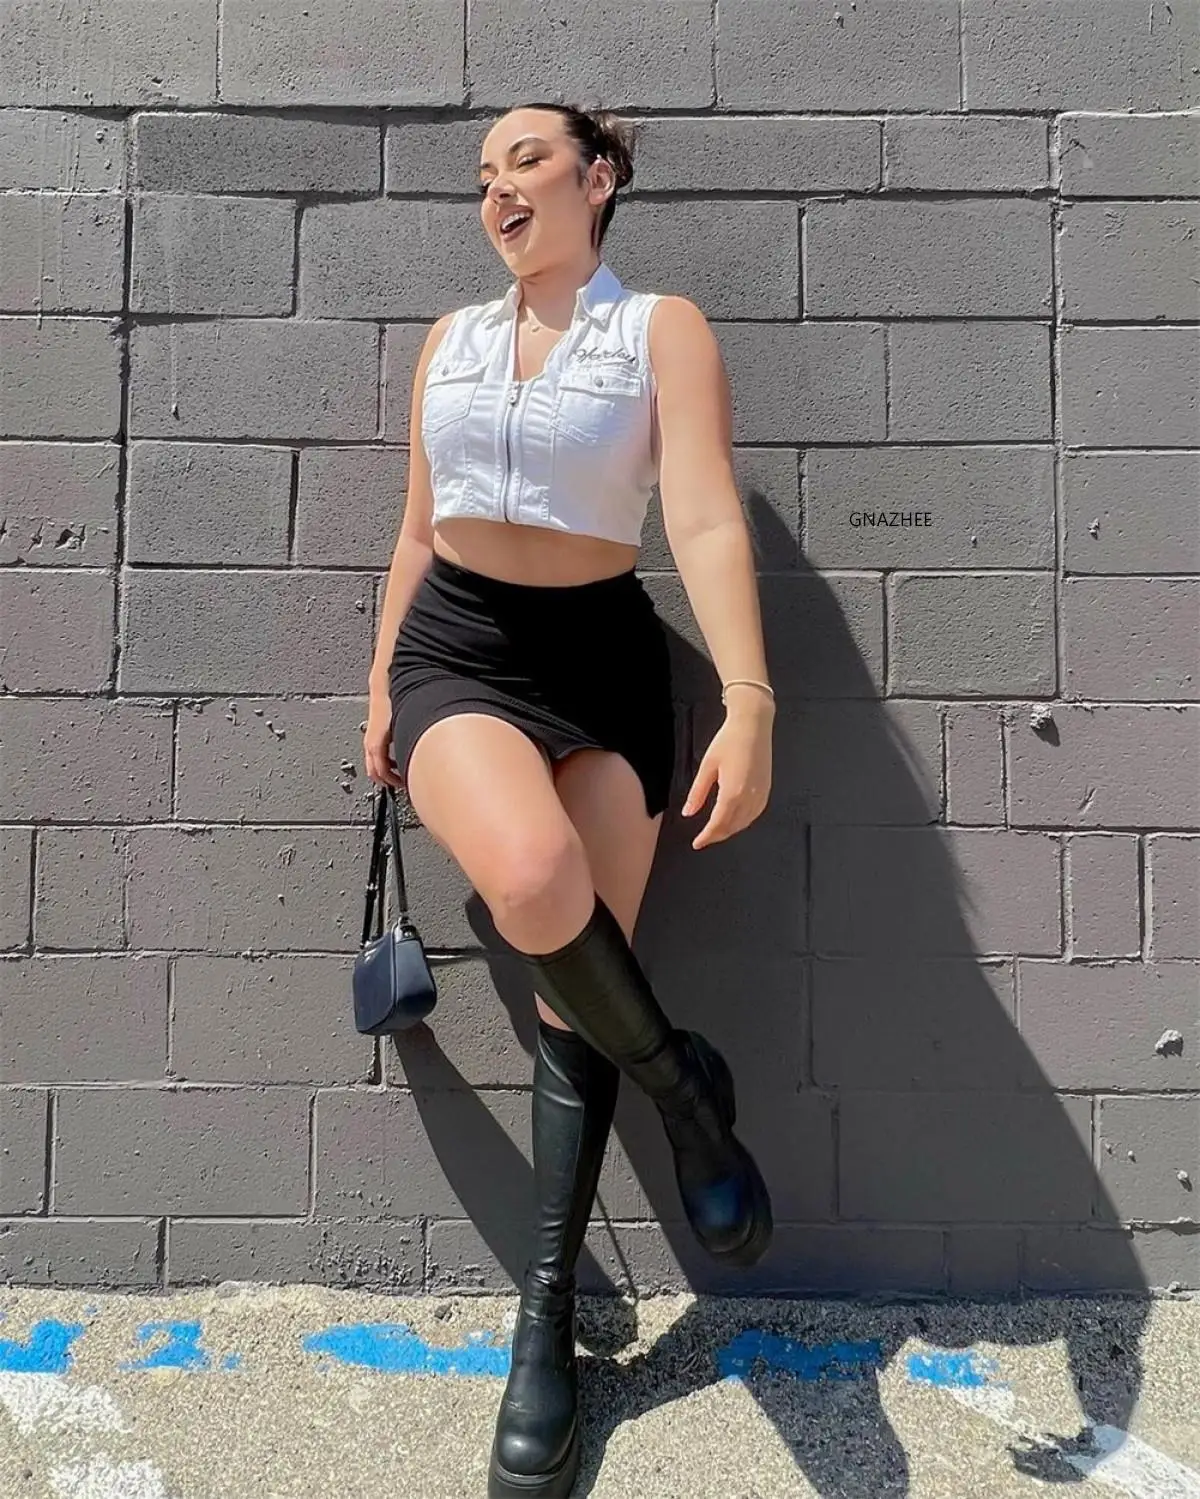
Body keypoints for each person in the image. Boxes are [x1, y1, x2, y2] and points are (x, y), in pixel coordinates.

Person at [363, 100, 777, 1499]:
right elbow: (417, 529)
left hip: (606, 663)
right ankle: (686, 1092)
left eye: (527, 161)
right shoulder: (451, 340)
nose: (499, 189)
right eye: (483, 174)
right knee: (540, 884)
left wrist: (749, 697)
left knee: (570, 1001)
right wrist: (382, 683)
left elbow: (701, 513)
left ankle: (543, 1322)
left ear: (598, 179)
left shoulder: (661, 329)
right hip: (461, 652)